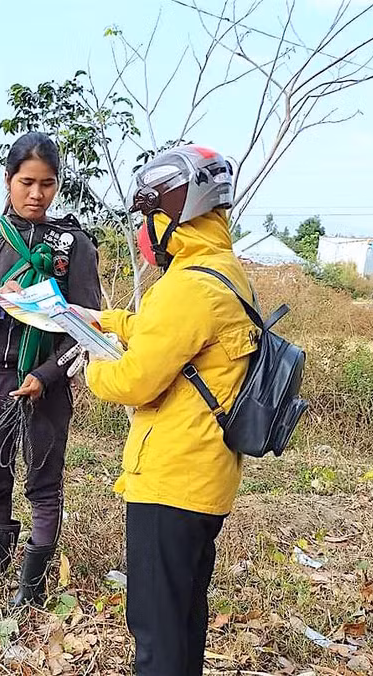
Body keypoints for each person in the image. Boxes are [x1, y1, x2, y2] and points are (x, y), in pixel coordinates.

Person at [85, 145, 256, 675]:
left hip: (170, 478)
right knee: (183, 616)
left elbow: (135, 380)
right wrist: (108, 320)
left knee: (156, 630)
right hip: (206, 476)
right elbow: (176, 338)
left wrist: (91, 362)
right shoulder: (220, 269)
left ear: (172, 215)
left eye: (148, 216)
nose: (144, 230)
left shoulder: (183, 287)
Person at [0, 131, 101, 606]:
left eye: (48, 184)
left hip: (46, 383)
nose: (37, 194)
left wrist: (47, 376)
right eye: (27, 182)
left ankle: (32, 588)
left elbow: (86, 328)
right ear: (9, 180)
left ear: (59, 185)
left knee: (43, 481)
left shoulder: (73, 246)